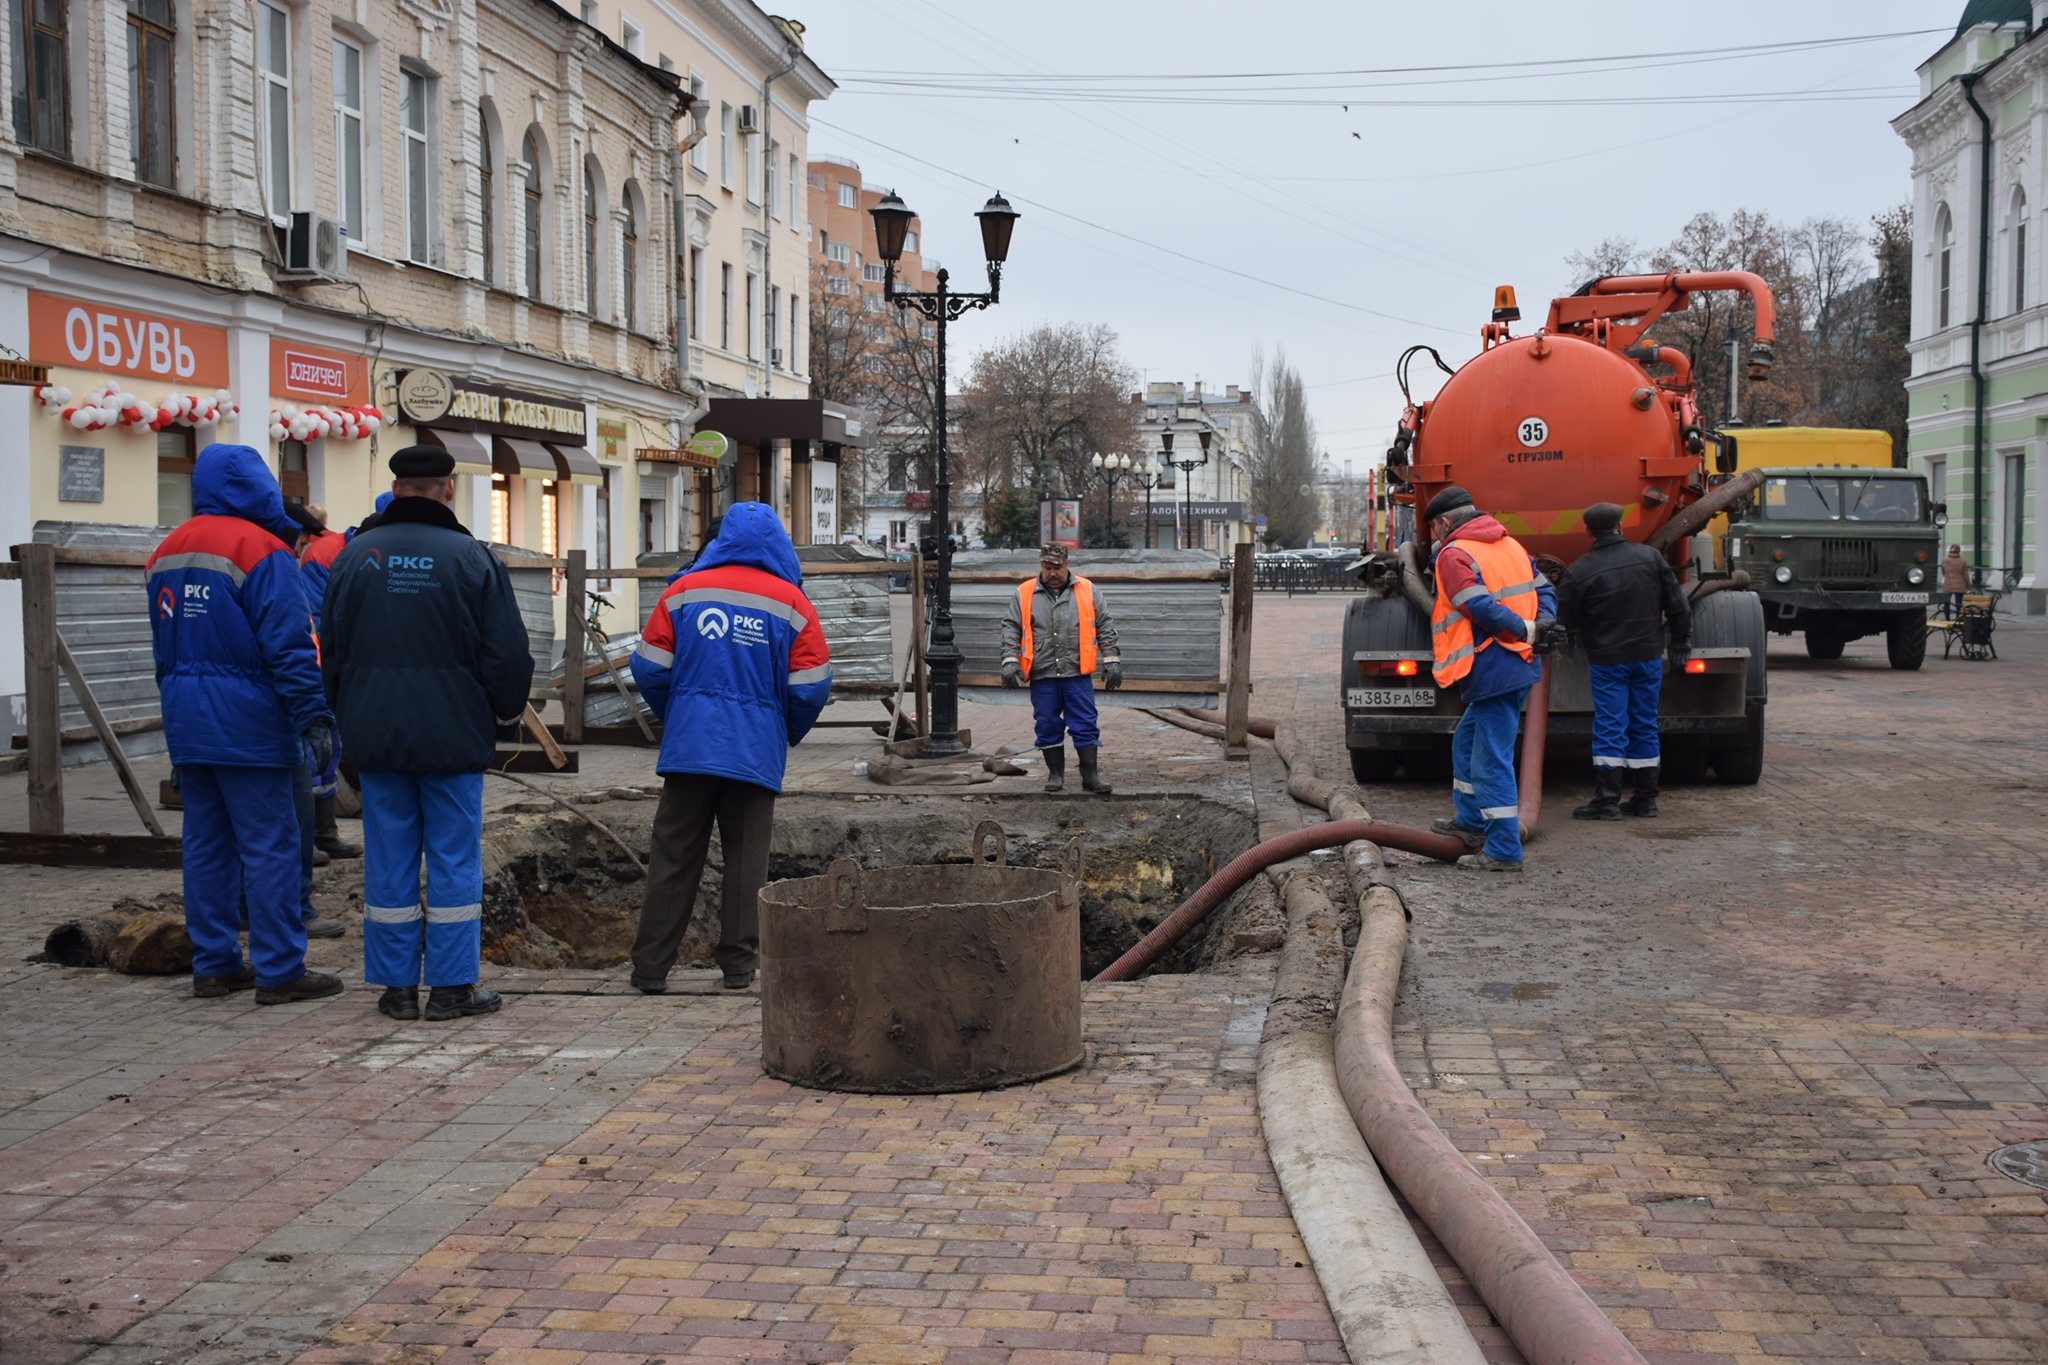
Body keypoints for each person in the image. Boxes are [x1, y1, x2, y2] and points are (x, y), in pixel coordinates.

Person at [323, 446, 534, 1022]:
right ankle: (451, 988)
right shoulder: (470, 557)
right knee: (452, 860)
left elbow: (331, 654)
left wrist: (345, 718)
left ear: (396, 491)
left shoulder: (354, 556)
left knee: (387, 859)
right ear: (447, 488)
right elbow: (508, 655)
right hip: (452, 737)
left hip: (377, 737)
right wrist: (503, 713)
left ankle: (395, 989)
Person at [146, 444, 342, 1004]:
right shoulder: (262, 550)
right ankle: (280, 970)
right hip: (251, 726)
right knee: (271, 845)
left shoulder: (167, 550)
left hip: (188, 722)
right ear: (260, 486)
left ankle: (214, 964)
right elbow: (290, 645)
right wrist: (313, 716)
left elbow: (165, 648)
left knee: (206, 846)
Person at [628, 502, 832, 993]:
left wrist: (677, 712)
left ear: (720, 540)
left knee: (673, 857)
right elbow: (811, 684)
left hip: (689, 748)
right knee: (746, 861)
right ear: (778, 544)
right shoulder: (792, 604)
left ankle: (651, 968)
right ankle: (739, 967)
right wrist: (786, 730)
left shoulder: (682, 592)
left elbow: (650, 667)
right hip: (753, 752)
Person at [1421, 487, 1557, 872]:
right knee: (1466, 742)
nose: (1435, 536)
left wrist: (1526, 631)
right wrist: (1538, 626)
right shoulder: (1511, 546)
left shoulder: (1454, 554)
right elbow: (1544, 589)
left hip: (1493, 665)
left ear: (1446, 522)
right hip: (1515, 662)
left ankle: (1502, 850)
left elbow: (1475, 605)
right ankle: (1470, 823)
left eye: (1434, 528)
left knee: (1489, 760)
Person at [1556, 503, 1691, 822]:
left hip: (1608, 662)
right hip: (1647, 657)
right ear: (1621, 526)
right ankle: (1645, 800)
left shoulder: (1580, 570)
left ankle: (1607, 801)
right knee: (1644, 723)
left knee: (1610, 726)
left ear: (1588, 531)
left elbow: (1564, 619)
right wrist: (1681, 641)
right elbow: (1677, 604)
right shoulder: (1650, 558)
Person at [1001, 543, 1123, 795]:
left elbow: (1104, 625)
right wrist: (1010, 661)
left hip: (1077, 673)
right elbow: (1011, 627)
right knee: (1046, 722)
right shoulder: (1025, 593)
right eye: (1047, 568)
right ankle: (1055, 775)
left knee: (1085, 722)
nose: (1051, 573)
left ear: (1067, 565)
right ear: (1041, 566)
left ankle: (1090, 776)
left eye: (1056, 567)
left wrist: (1111, 661)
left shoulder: (1087, 590)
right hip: (1042, 673)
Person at [295, 507, 363, 863]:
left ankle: (325, 834)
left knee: (327, 750)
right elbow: (319, 618)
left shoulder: (358, 552)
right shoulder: (324, 556)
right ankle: (307, 841)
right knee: (311, 750)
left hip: (327, 663)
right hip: (317, 666)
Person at [1941, 544, 1969, 619]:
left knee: (1946, 602)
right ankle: (1957, 618)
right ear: (1959, 551)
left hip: (1948, 584)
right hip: (1960, 584)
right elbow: (1965, 574)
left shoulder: (1945, 559)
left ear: (1950, 550)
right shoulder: (1962, 560)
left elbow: (1943, 571)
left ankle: (1947, 618)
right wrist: (1968, 585)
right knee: (1958, 603)